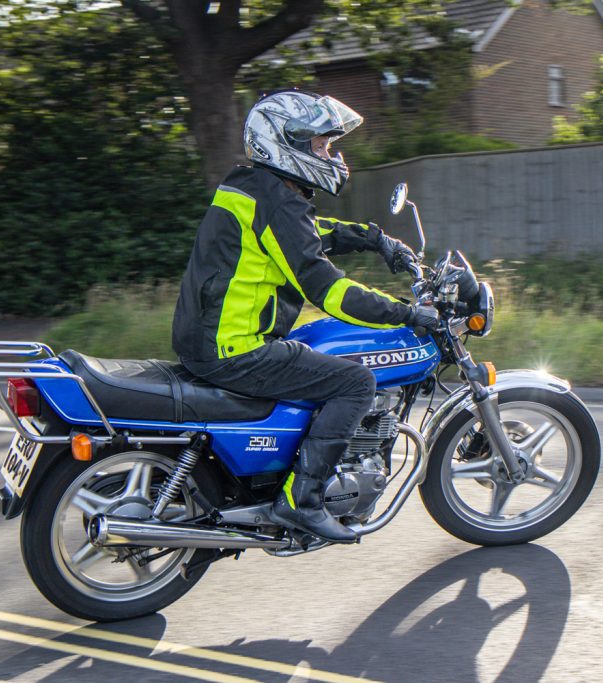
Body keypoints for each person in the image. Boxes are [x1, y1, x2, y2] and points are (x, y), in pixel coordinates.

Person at [172, 90, 439, 543]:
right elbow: (328, 289)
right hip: (236, 348)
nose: (330, 155)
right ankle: (302, 501)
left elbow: (307, 235)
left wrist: (375, 240)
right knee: (355, 382)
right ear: (285, 143)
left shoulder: (251, 188)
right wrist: (406, 314)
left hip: (205, 338)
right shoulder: (277, 202)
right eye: (320, 146)